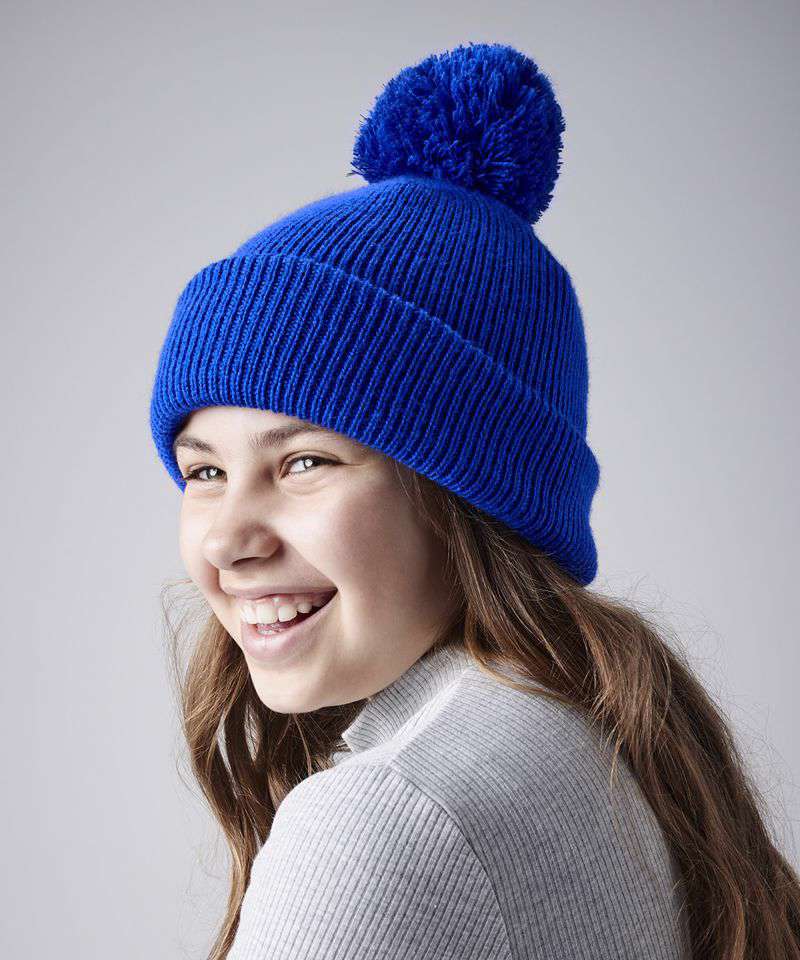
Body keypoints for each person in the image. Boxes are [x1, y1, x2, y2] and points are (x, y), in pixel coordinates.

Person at [149, 41, 800, 960]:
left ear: (466, 490)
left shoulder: (384, 818)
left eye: (304, 462)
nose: (227, 542)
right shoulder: (604, 740)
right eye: (205, 472)